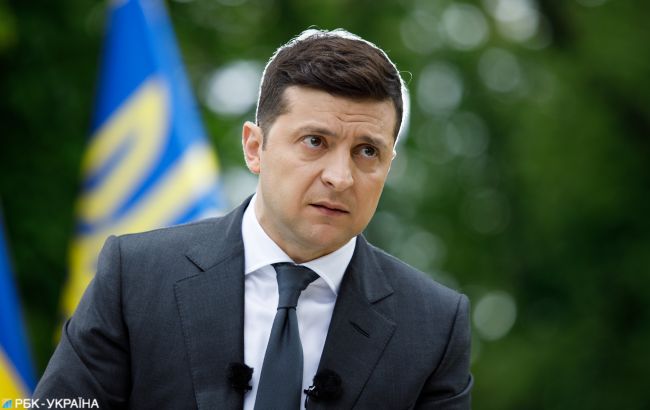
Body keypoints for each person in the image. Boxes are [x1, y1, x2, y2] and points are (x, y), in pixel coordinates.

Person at [34, 29, 473, 409]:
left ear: (388, 166)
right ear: (254, 147)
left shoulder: (434, 326)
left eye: (367, 151)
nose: (340, 177)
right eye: (315, 141)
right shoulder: (135, 277)